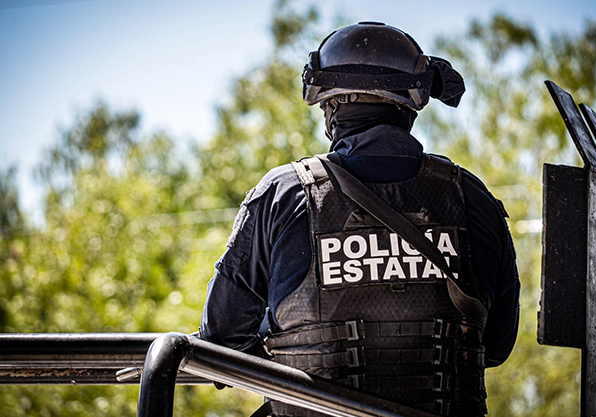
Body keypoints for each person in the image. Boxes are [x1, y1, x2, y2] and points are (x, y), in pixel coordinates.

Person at [200, 22, 520, 417]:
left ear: (332, 108)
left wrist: (291, 342)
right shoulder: (471, 196)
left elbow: (221, 338)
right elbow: (497, 344)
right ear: (409, 107)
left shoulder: (285, 194)